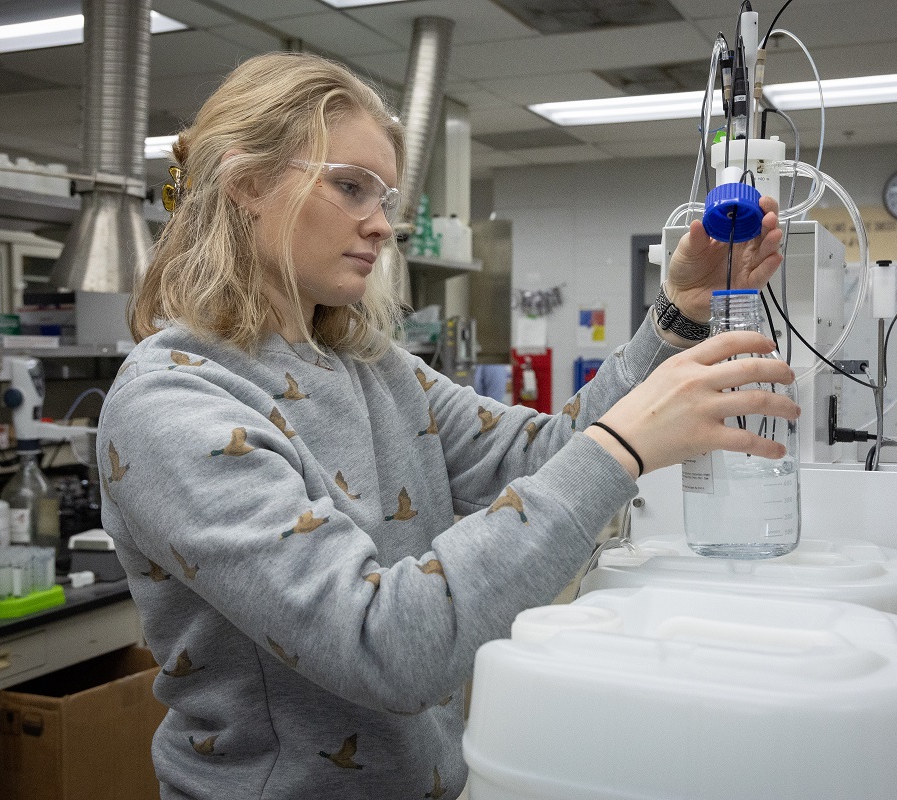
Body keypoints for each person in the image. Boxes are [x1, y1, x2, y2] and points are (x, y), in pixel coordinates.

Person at [98, 51, 796, 799]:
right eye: (350, 186)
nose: (381, 224)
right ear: (247, 184)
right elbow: (384, 647)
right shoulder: (173, 404)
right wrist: (622, 447)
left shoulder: (372, 367)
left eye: (386, 195)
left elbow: (543, 455)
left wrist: (673, 317)